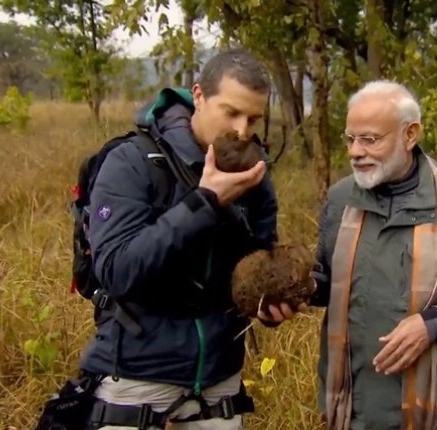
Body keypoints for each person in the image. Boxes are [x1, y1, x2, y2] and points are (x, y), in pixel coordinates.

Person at [77, 48, 301, 430]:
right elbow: (117, 271)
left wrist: (267, 303)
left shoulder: (255, 173)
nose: (243, 131)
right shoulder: (131, 162)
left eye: (253, 118)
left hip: (219, 380)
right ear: (198, 95)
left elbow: (257, 263)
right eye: (231, 112)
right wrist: (205, 202)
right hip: (136, 376)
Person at [305, 80, 437, 429]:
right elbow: (329, 281)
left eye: (370, 139)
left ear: (410, 135)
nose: (355, 151)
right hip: (350, 410)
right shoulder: (341, 199)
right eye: (350, 138)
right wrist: (297, 289)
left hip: (436, 414)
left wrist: (432, 325)